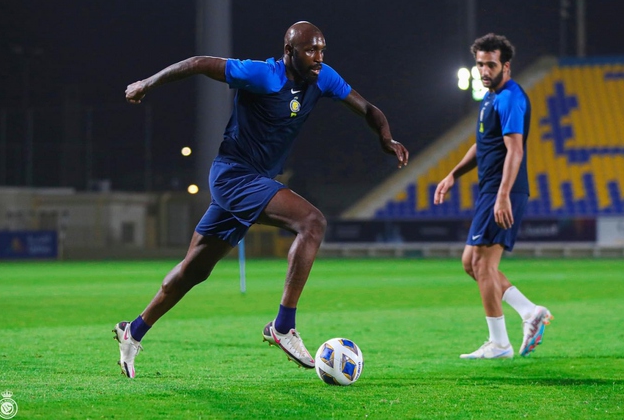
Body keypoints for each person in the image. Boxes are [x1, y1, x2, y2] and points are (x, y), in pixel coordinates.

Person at [113, 21, 409, 378]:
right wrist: (147, 83)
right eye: (310, 51)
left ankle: (134, 331)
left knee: (194, 270)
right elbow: (197, 63)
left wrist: (386, 138)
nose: (318, 57)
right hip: (233, 175)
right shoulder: (262, 75)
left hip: (253, 182)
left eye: (321, 50)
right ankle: (283, 327)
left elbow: (367, 109)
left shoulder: (323, 77)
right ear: (289, 52)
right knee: (312, 223)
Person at [433, 33, 552, 359]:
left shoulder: (510, 98)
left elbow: (515, 150)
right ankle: (529, 312)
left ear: (506, 65)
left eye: (490, 64)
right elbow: (482, 145)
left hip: (504, 190)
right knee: (471, 263)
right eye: (480, 64)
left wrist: (502, 196)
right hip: (492, 190)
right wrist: (453, 173)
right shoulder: (490, 98)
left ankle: (500, 344)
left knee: (483, 266)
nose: (484, 71)